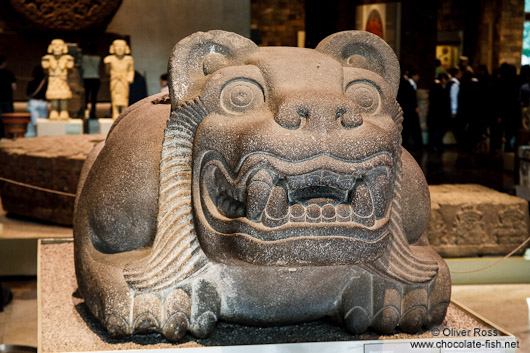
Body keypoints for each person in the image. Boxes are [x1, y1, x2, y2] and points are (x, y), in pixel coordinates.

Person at [41, 39, 75, 120]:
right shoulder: (47, 58)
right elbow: (45, 67)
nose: (57, 47)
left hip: (63, 80)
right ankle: (54, 111)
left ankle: (64, 111)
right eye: (54, 45)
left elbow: (70, 68)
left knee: (64, 97)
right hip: (53, 80)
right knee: (54, 97)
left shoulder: (68, 58)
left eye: (59, 45)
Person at [104, 39, 134, 119]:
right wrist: (107, 65)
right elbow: (107, 72)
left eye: (122, 47)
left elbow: (131, 70)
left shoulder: (129, 59)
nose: (120, 49)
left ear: (126, 48)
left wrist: (129, 78)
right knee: (115, 97)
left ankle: (124, 113)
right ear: (113, 48)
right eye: (117, 46)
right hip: (115, 81)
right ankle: (115, 112)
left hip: (124, 81)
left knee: (124, 97)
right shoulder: (110, 59)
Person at [397, 67, 423, 150]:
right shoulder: (407, 84)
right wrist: (415, 107)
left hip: (408, 109)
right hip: (409, 110)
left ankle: (412, 145)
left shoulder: (407, 83)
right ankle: (414, 145)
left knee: (409, 128)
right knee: (410, 128)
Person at [427, 73, 450, 152]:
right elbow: (442, 101)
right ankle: (436, 146)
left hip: (432, 112)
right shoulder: (439, 87)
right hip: (438, 113)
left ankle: (433, 146)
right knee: (438, 130)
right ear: (443, 78)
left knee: (433, 130)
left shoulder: (433, 85)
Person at [26, 66, 48, 137]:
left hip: (34, 102)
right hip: (43, 102)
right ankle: (41, 134)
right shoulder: (45, 83)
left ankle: (36, 133)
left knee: (34, 119)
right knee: (43, 119)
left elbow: (28, 93)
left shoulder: (31, 82)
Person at [81, 43, 101, 119]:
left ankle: (85, 112)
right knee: (93, 98)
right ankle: (92, 113)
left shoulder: (84, 58)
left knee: (85, 97)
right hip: (95, 78)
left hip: (87, 78)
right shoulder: (97, 58)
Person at [0, 55, 16, 138]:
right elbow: (14, 87)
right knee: (9, 119)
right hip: (7, 99)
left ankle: (1, 135)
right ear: (4, 63)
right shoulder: (9, 74)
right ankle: (9, 135)